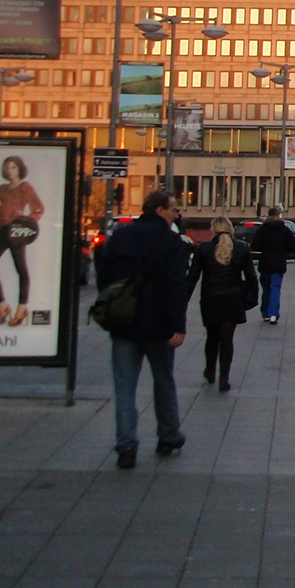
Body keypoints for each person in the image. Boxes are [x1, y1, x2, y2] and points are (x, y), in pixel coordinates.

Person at [97, 189, 189, 469]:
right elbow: (176, 286)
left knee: (124, 386)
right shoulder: (172, 242)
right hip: (159, 325)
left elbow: (104, 275)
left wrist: (114, 306)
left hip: (124, 323)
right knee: (163, 381)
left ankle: (126, 445)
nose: (177, 214)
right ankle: (168, 436)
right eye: (174, 208)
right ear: (160, 209)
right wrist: (178, 325)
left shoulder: (121, 235)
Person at [187, 216, 258, 393]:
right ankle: (224, 377)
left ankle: (210, 370)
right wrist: (252, 298)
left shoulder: (203, 249)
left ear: (213, 230)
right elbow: (251, 276)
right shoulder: (241, 248)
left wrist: (182, 300)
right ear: (230, 229)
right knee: (227, 340)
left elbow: (193, 277)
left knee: (212, 337)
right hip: (232, 299)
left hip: (210, 299)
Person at [0, 154, 43, 327]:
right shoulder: (0, 189)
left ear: (19, 169)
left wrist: (27, 221)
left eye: (13, 167)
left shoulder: (25, 187)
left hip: (17, 232)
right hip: (0, 231)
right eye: (8, 168)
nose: (10, 171)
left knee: (21, 269)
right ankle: (3, 305)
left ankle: (21, 308)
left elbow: (38, 208)